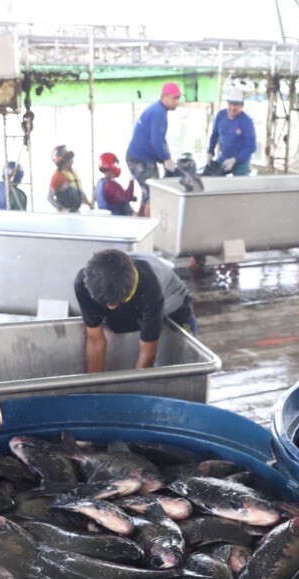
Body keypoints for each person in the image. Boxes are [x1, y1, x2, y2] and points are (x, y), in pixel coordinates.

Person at [74, 249, 197, 373]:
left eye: (116, 302)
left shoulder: (150, 287)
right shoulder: (83, 283)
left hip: (173, 307)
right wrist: (94, 388)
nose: (111, 308)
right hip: (133, 301)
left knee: (177, 368)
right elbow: (95, 341)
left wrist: (131, 387)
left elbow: (148, 353)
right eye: (105, 304)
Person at [126, 81, 182, 217]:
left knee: (148, 192)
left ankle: (139, 220)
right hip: (140, 159)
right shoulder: (159, 112)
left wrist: (166, 157)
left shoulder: (157, 109)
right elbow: (156, 140)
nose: (177, 102)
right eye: (174, 98)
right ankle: (152, 229)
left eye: (178, 98)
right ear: (164, 97)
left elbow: (159, 139)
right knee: (154, 193)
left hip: (141, 158)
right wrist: (166, 158)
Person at [207, 86, 257, 177]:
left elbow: (251, 147)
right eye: (231, 104)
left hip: (241, 162)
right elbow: (214, 135)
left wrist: (234, 160)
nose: (233, 108)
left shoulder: (247, 121)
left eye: (236, 105)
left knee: (240, 185)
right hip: (224, 157)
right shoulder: (220, 115)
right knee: (210, 176)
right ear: (227, 104)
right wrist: (210, 152)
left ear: (242, 106)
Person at [48, 145, 93, 213]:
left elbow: (80, 192)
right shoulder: (57, 176)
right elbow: (49, 198)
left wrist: (89, 204)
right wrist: (61, 209)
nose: (72, 162)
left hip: (76, 211)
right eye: (69, 160)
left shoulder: (73, 173)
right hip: (65, 215)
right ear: (62, 162)